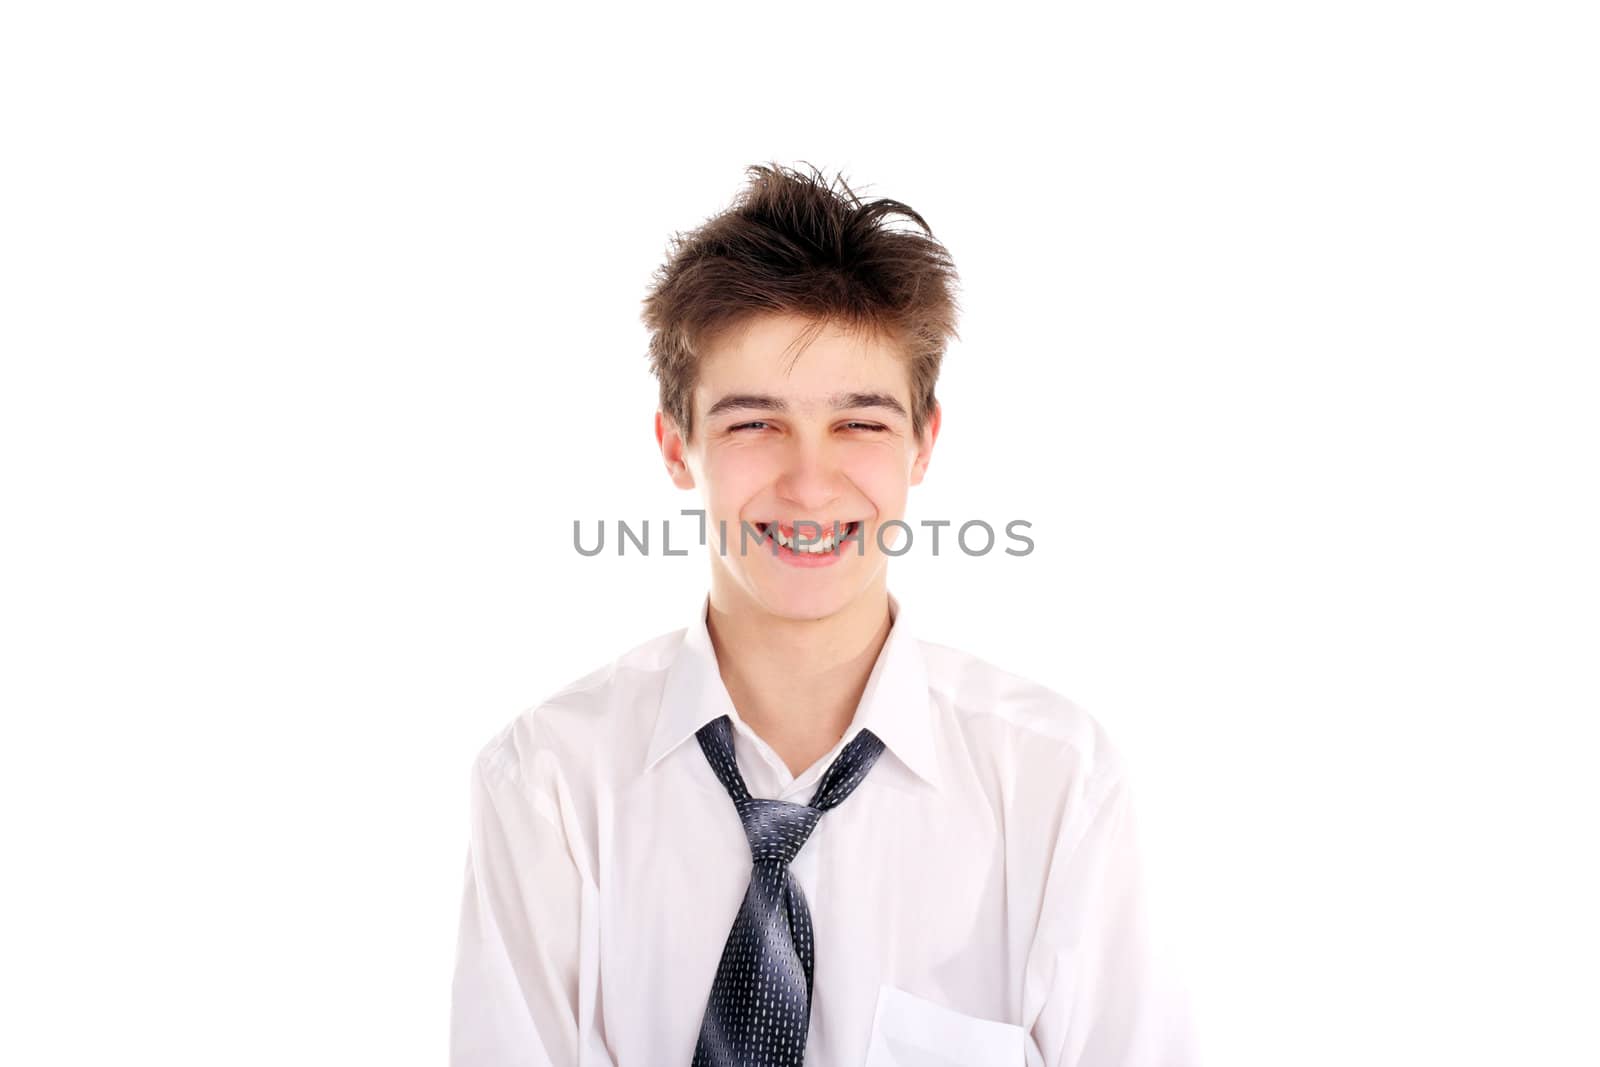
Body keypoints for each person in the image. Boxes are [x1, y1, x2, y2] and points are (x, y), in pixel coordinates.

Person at [450, 163, 1194, 1066]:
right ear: (675, 447)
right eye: (752, 424)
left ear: (924, 443)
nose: (808, 484)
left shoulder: (1057, 786)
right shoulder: (549, 786)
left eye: (861, 424)